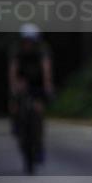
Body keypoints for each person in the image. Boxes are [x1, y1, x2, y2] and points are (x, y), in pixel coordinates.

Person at [8, 23, 54, 166]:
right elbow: (13, 70)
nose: (28, 44)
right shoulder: (17, 50)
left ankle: (39, 145)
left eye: (31, 41)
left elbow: (46, 69)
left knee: (38, 111)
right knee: (14, 103)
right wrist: (14, 87)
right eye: (26, 41)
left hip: (38, 84)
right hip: (23, 82)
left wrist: (47, 86)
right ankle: (16, 124)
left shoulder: (42, 50)